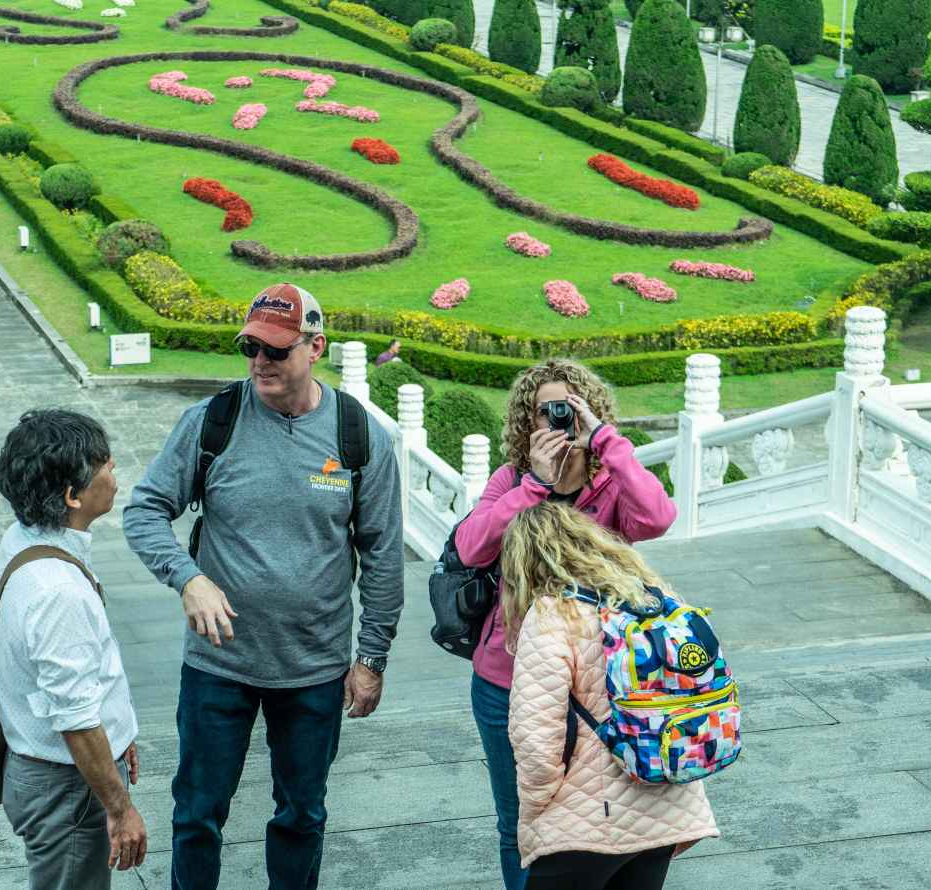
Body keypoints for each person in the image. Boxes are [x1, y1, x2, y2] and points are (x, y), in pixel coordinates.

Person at [124, 283, 404, 890]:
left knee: (302, 816)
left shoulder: (359, 436)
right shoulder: (212, 423)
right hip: (218, 665)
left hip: (315, 667)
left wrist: (372, 656)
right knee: (197, 816)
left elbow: (382, 552)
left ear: (316, 347)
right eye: (250, 348)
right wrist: (188, 578)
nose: (259, 363)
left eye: (276, 351)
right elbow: (144, 510)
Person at [454, 358, 676, 890]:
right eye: (544, 412)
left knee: (605, 818)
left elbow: (658, 518)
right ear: (525, 423)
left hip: (603, 688)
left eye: (569, 409)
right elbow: (471, 545)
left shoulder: (611, 486)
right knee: (521, 822)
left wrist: (607, 443)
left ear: (590, 413)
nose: (556, 421)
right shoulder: (511, 480)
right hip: (507, 680)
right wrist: (535, 482)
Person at [504, 501, 717, 889]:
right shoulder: (653, 598)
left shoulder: (553, 615)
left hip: (585, 820)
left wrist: (536, 811)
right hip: (664, 801)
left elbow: (536, 741)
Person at [0, 409, 146, 889]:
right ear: (72, 496)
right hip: (67, 788)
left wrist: (118, 741)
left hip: (57, 772)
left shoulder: (24, 540)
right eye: (103, 463)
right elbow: (76, 716)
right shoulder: (58, 590)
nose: (113, 467)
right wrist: (119, 807)